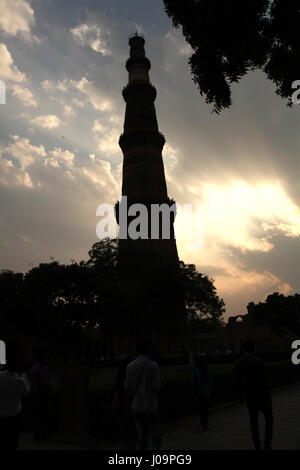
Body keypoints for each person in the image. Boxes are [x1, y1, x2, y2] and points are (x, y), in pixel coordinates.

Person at [235, 339, 273, 451]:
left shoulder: (239, 363)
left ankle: (257, 445)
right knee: (269, 417)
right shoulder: (259, 361)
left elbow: (237, 382)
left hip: (250, 396)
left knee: (253, 421)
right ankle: (267, 441)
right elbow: (265, 381)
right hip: (261, 395)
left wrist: (241, 396)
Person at [124, 338, 162, 450]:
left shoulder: (130, 366)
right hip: (151, 405)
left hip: (137, 405)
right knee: (155, 438)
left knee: (142, 437)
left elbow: (127, 386)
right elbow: (158, 386)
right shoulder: (153, 365)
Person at [0, 342, 30, 450]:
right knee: (12, 442)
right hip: (13, 417)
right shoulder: (19, 381)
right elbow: (26, 392)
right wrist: (24, 376)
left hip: (1, 415)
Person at [111, 356, 137, 450]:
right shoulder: (131, 377)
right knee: (132, 432)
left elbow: (116, 392)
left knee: (126, 433)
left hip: (121, 406)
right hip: (129, 405)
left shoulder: (120, 378)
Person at [30, 349, 51, 443]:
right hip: (39, 394)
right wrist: (36, 396)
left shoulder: (44, 367)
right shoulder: (35, 369)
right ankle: (38, 437)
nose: (46, 359)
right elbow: (35, 385)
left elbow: (46, 379)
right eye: (45, 357)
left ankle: (44, 435)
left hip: (44, 393)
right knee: (38, 416)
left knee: (44, 415)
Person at [191, 355, 213, 431]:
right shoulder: (207, 370)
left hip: (198, 393)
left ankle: (202, 424)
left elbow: (193, 383)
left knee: (200, 410)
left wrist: (194, 392)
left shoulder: (195, 371)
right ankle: (205, 425)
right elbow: (210, 382)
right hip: (206, 393)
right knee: (206, 410)